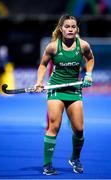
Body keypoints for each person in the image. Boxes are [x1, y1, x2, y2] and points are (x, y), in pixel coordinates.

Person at [34, 14, 94, 175]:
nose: (70, 29)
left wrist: (88, 75)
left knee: (79, 130)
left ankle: (75, 158)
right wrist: (39, 82)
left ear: (77, 29)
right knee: (54, 126)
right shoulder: (53, 46)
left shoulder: (83, 45)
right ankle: (47, 165)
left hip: (74, 90)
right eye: (67, 26)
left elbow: (90, 59)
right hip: (56, 89)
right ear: (61, 29)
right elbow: (43, 65)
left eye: (73, 27)